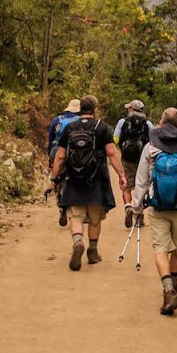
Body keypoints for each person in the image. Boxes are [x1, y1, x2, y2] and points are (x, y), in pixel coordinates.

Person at [131, 107, 177, 315]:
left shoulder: (150, 148)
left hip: (157, 208)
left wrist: (136, 208)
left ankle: (167, 290)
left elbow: (141, 181)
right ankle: (174, 285)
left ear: (160, 124)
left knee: (160, 249)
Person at [49, 95, 126, 271]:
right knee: (94, 218)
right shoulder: (102, 127)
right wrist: (121, 174)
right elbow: (112, 153)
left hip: (74, 179)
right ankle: (92, 251)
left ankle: (77, 242)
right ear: (94, 110)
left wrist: (54, 178)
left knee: (75, 215)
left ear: (79, 110)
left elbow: (60, 156)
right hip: (96, 179)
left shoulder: (70, 128)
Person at [113, 100, 155, 228]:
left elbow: (115, 140)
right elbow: (153, 142)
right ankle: (139, 218)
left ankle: (128, 207)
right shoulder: (148, 124)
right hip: (143, 160)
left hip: (126, 159)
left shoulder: (122, 122)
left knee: (126, 186)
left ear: (131, 109)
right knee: (140, 186)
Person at [46, 99, 81, 227]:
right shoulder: (80, 121)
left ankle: (61, 206)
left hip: (57, 153)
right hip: (75, 154)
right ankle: (72, 204)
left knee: (57, 180)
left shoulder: (57, 120)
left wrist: (50, 157)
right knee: (73, 179)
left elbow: (50, 139)